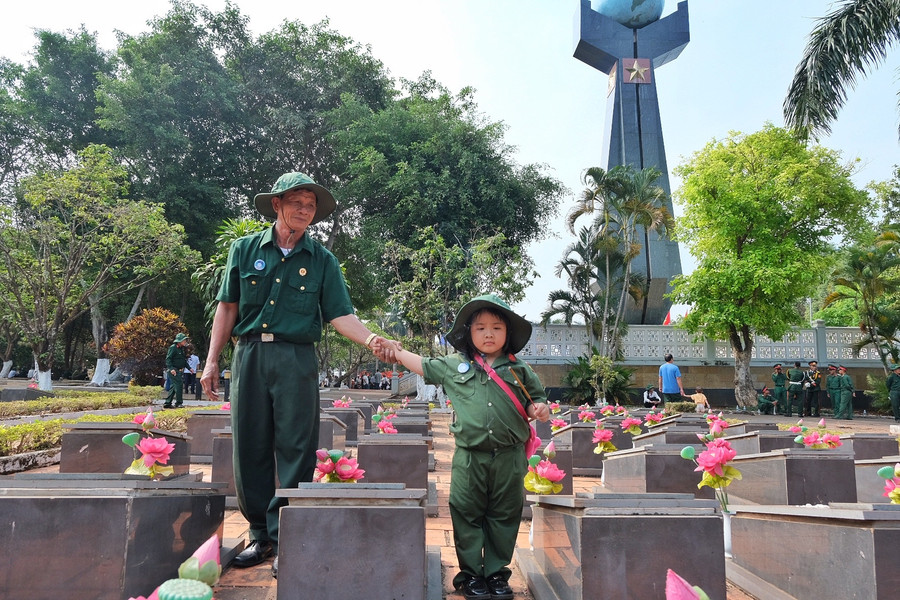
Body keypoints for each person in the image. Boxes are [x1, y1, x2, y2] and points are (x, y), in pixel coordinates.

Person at [199, 172, 394, 578]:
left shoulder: (323, 260)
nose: (305, 210)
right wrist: (212, 360)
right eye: (297, 202)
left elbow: (341, 316)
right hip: (250, 354)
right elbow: (228, 307)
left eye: (311, 205)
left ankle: (287, 533)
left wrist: (372, 338)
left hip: (296, 358)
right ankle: (259, 534)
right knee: (249, 445)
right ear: (277, 204)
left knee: (296, 447)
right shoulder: (244, 249)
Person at [386, 294, 550, 600]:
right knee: (466, 511)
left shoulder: (519, 369)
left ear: (508, 333)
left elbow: (534, 402)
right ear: (469, 334)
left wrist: (539, 410)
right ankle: (473, 575)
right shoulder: (454, 365)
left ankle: (497, 574)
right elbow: (423, 365)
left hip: (510, 457)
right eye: (481, 328)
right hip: (469, 457)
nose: (489, 334)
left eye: (497, 328)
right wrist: (397, 352)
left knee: (505, 514)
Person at [164, 333, 189, 408]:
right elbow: (168, 359)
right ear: (179, 341)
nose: (185, 341)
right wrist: (171, 369)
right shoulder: (173, 348)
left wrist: (189, 368)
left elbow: (183, 360)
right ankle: (178, 403)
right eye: (184, 340)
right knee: (179, 384)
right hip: (174, 370)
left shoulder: (181, 349)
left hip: (179, 370)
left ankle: (167, 403)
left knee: (174, 387)